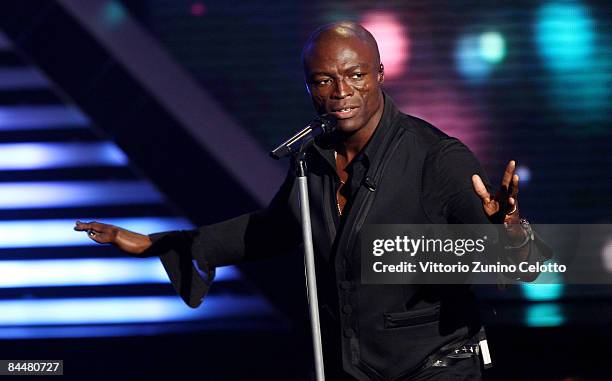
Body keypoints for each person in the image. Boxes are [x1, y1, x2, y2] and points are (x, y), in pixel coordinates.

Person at [74, 21, 551, 380]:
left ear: (380, 74)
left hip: (436, 367)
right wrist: (161, 243)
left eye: (355, 74)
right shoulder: (314, 158)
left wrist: (510, 231)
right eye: (323, 80)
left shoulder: (436, 158)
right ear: (308, 86)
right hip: (357, 369)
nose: (341, 92)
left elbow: (510, 267)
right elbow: (278, 227)